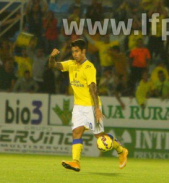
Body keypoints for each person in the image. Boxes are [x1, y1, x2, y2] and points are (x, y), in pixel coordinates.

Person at [49, 39, 128, 172]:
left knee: (100, 136)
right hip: (78, 106)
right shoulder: (71, 64)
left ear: (83, 51)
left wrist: (97, 109)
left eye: (77, 51)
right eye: (73, 51)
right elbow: (53, 66)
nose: (74, 54)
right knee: (76, 132)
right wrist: (51, 57)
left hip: (91, 106)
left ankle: (121, 150)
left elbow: (93, 89)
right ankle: (76, 162)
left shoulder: (89, 67)